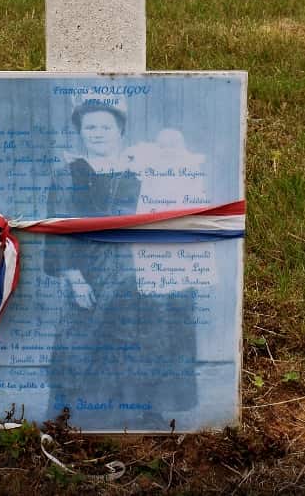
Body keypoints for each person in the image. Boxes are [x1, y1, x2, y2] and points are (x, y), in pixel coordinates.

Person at [43, 99, 197, 429]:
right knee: (83, 339)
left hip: (136, 267)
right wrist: (74, 278)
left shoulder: (141, 169)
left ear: (120, 131)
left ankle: (146, 410)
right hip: (89, 269)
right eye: (90, 127)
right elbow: (59, 227)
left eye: (105, 127)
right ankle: (76, 415)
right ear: (80, 132)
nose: (97, 133)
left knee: (145, 338)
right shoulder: (68, 174)